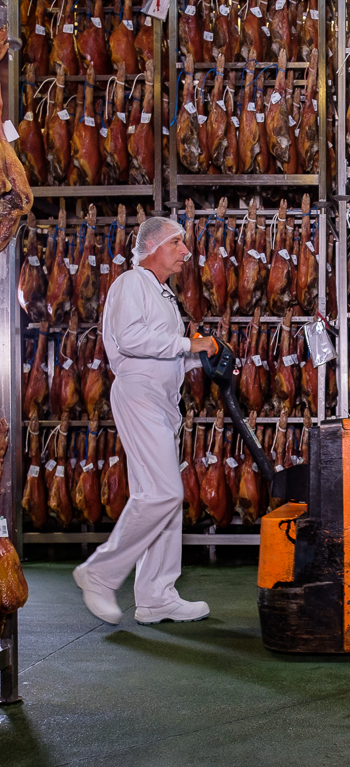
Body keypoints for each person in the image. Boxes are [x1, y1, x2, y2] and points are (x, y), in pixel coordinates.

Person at [72, 217, 218, 625]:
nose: (186, 252)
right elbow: (132, 339)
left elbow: (165, 349)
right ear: (152, 245)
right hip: (138, 395)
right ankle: (99, 574)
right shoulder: (131, 284)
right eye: (178, 243)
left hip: (163, 400)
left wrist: (198, 355)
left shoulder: (163, 294)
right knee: (163, 494)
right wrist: (186, 343)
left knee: (163, 500)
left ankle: (157, 597)